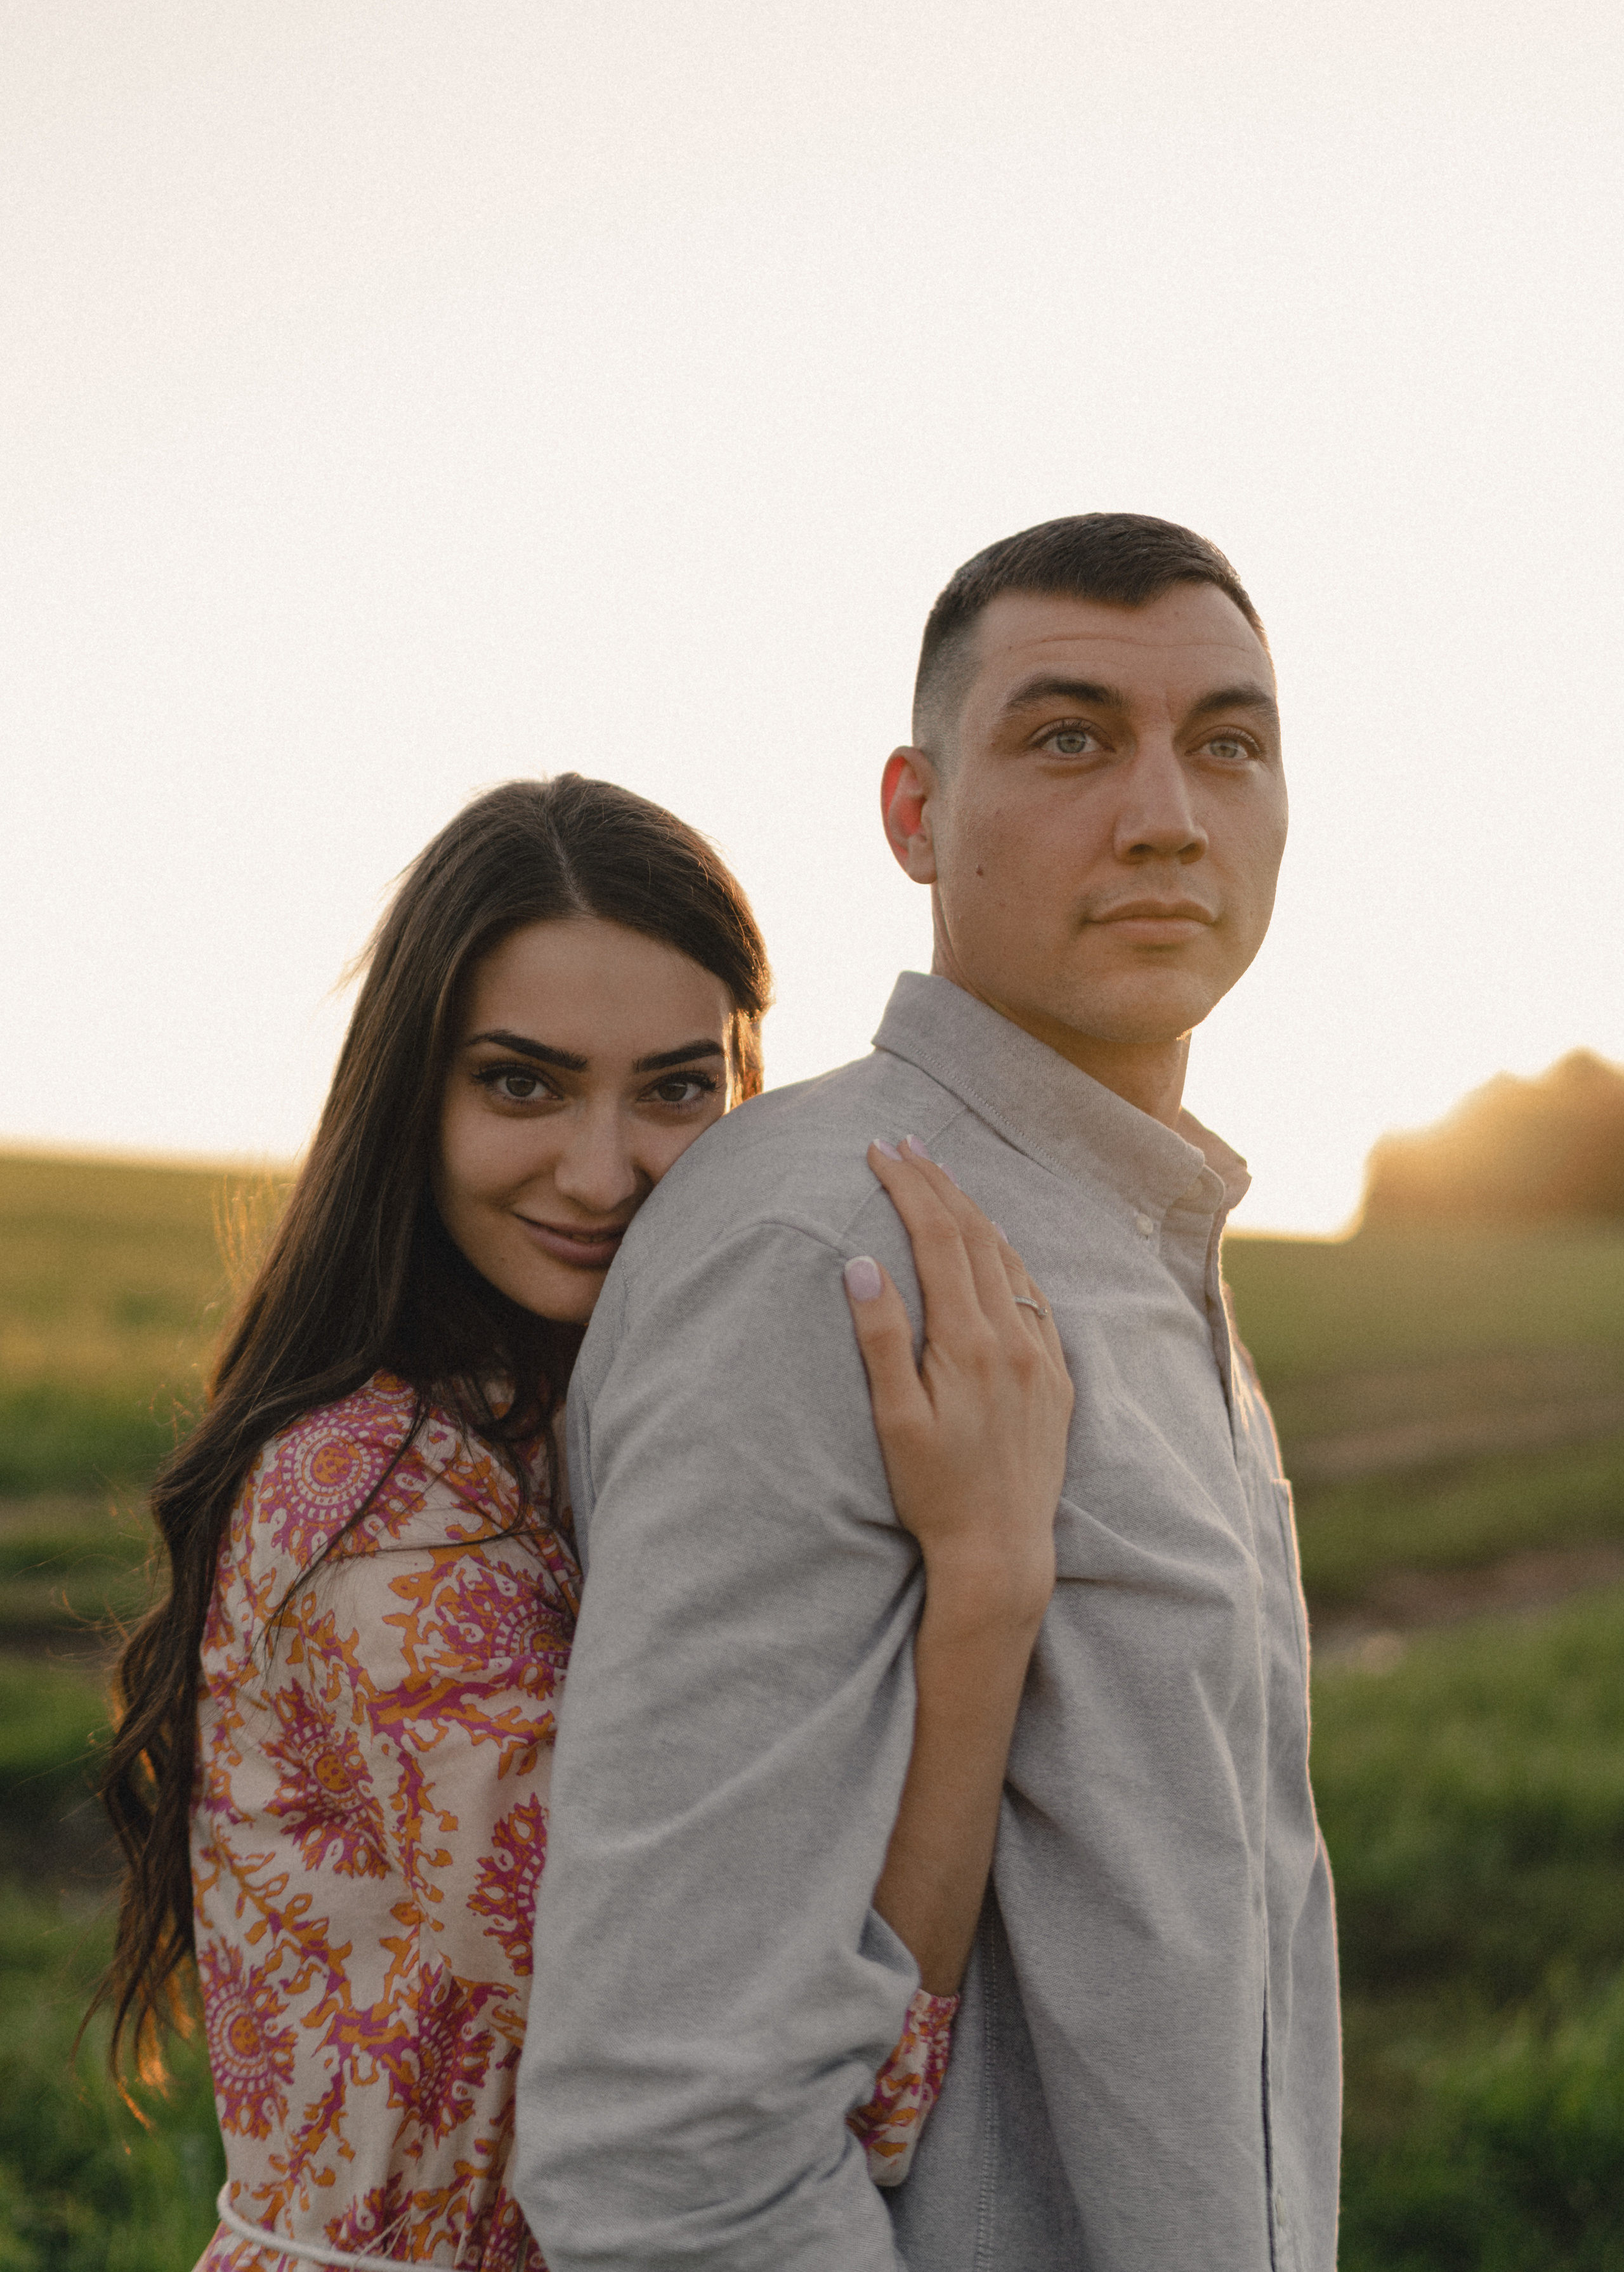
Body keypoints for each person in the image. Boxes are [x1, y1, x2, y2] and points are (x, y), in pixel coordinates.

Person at [95, 775, 1073, 2269]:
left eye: (677, 1089)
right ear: (409, 1090)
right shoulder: (376, 1504)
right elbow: (732, 2077)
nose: (602, 1170)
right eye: (522, 1082)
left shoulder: (596, 1441)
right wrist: (989, 1582)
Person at [514, 513, 1340, 2272]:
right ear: (914, 812)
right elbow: (670, 2149)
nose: (1166, 814)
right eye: (1067, 735)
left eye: (1230, 744)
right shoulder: (826, 1248)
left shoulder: (1142, 1227)